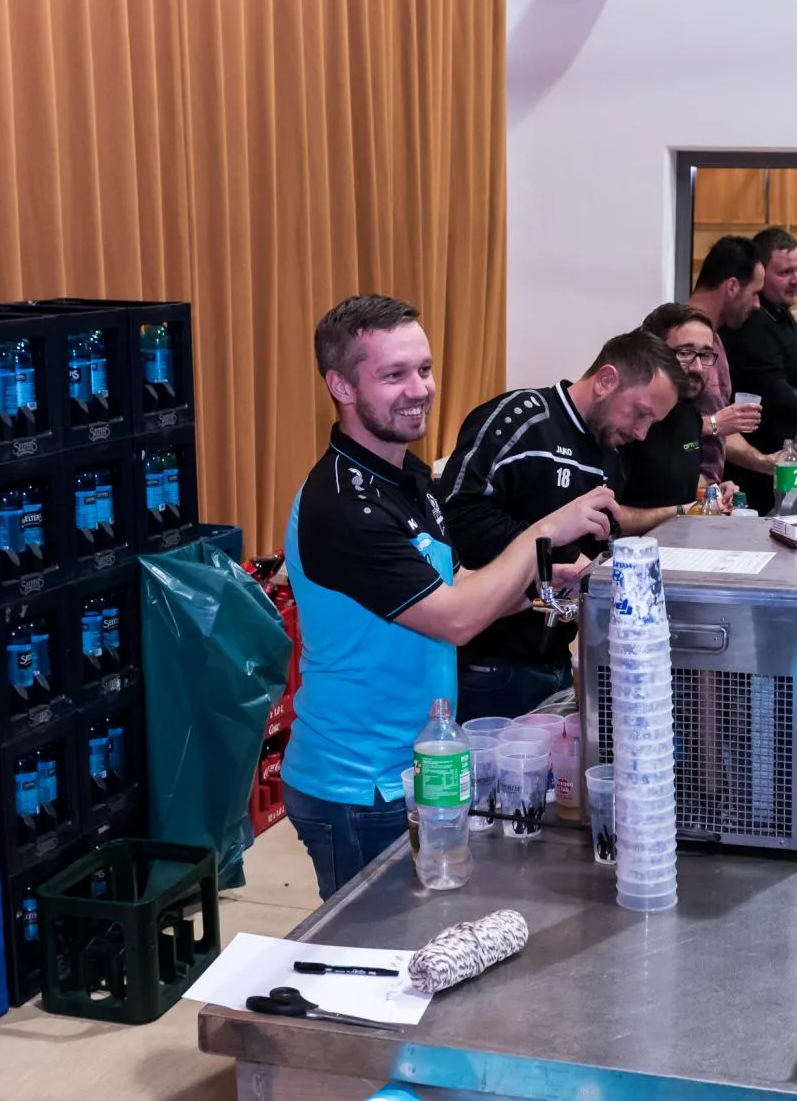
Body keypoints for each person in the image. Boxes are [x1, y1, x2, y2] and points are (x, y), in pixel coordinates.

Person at [281, 295, 614, 897]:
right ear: (341, 386)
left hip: (419, 767)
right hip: (360, 786)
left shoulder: (408, 478)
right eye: (394, 375)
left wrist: (543, 587)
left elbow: (458, 590)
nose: (419, 389)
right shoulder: (342, 505)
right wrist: (543, 531)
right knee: (373, 947)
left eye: (425, 369)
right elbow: (457, 621)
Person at [438, 332, 687, 721]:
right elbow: (457, 513)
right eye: (640, 414)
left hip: (556, 658)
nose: (641, 433)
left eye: (651, 422)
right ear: (606, 381)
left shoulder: (610, 455)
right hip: (490, 662)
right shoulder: (521, 420)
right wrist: (556, 551)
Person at [726, 227, 797, 512]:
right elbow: (774, 389)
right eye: (786, 272)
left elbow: (786, 374)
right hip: (760, 474)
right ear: (761, 273)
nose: (796, 280)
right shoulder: (752, 322)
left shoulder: (781, 313)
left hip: (788, 470)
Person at [615, 304, 755, 525]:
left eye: (705, 354)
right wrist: (680, 511)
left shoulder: (688, 415)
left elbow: (682, 480)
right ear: (653, 351)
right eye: (684, 353)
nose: (698, 367)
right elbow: (609, 520)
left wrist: (714, 495)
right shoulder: (622, 422)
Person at [685, 237, 775, 485]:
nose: (757, 305)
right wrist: (715, 423)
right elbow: (657, 428)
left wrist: (765, 462)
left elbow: (721, 427)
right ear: (733, 286)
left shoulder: (716, 341)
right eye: (754, 293)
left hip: (706, 499)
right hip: (677, 502)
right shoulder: (671, 339)